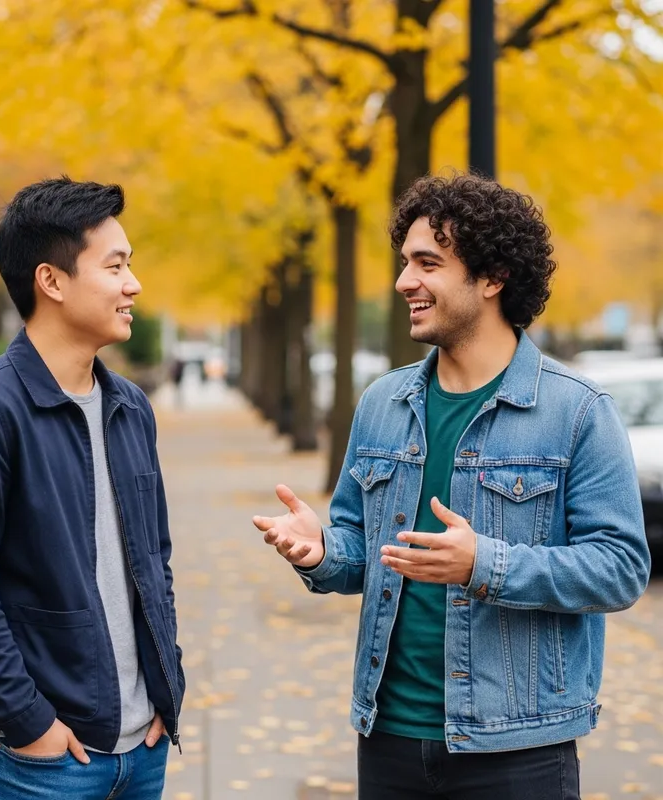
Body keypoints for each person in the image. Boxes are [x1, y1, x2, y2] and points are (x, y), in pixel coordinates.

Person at [252, 173, 650, 800]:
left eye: (427, 263)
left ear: (492, 279)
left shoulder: (577, 411)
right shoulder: (384, 402)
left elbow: (621, 568)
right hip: (387, 738)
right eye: (405, 261)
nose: (404, 281)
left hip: (518, 747)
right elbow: (367, 550)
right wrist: (324, 550)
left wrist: (483, 564)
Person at [0, 177, 184, 800]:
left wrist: (166, 687)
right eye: (115, 266)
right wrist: (29, 721)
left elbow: (155, 559)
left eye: (131, 266)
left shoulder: (129, 407)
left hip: (141, 749)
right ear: (52, 280)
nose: (133, 284)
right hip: (35, 761)